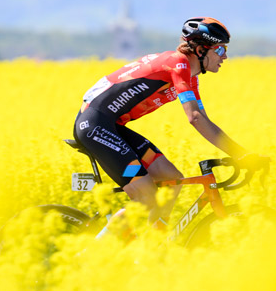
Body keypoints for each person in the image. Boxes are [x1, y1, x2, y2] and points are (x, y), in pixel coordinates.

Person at [73, 17, 261, 233]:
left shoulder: (189, 76)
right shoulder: (177, 64)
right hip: (95, 124)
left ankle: (155, 246)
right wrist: (240, 153)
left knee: (171, 180)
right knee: (147, 196)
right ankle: (97, 254)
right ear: (200, 50)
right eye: (220, 50)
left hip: (111, 126)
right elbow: (195, 118)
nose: (225, 56)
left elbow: (201, 117)